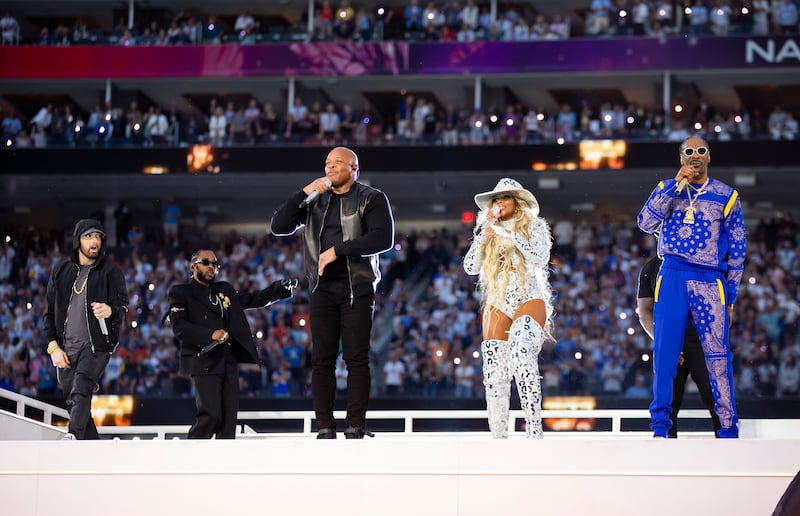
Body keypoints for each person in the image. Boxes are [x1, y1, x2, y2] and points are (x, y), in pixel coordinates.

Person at [270, 146, 394, 439]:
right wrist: (303, 193)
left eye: (337, 163)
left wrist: (338, 251)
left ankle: (355, 424)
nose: (329, 168)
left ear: (354, 168)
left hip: (357, 287)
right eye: (326, 163)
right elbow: (278, 226)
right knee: (322, 359)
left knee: (356, 358)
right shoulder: (315, 201)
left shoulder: (371, 198)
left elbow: (383, 238)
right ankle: (324, 425)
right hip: (321, 287)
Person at [637, 136, 746, 438]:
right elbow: (645, 222)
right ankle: (660, 429)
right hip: (671, 275)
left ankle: (727, 428)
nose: (695, 156)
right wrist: (675, 184)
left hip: (710, 279)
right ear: (681, 158)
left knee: (718, 354)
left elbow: (737, 251)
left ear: (709, 156)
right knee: (664, 353)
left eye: (701, 151)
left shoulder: (727, 195)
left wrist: (731, 296)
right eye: (689, 152)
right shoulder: (666, 189)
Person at [167, 249, 296, 439]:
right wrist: (211, 334)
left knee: (229, 422)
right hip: (203, 359)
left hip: (227, 360)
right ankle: (191, 458)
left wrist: (279, 289)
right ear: (193, 266)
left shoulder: (224, 290)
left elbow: (253, 298)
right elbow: (180, 328)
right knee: (211, 415)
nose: (212, 266)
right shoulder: (181, 292)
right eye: (206, 262)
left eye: (215, 264)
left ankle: (222, 465)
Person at [463, 178, 554, 439]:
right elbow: (470, 267)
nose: (500, 203)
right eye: (496, 199)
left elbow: (540, 258)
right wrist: (482, 238)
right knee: (494, 371)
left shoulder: (534, 226)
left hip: (528, 294)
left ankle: (534, 431)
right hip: (497, 299)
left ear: (518, 202)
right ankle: (498, 436)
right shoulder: (486, 229)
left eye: (505, 198)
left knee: (521, 353)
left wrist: (511, 234)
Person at [43, 219, 128, 440]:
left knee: (82, 385)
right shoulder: (61, 271)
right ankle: (93, 449)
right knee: (75, 401)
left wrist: (110, 310)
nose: (94, 242)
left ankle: (72, 437)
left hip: (97, 345)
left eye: (98, 237)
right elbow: (49, 314)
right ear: (78, 240)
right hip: (66, 347)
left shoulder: (111, 271)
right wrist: (53, 348)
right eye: (89, 236)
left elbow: (123, 309)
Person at [638, 254, 722, 438]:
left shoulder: (703, 259)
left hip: (702, 341)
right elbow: (644, 311)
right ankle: (665, 452)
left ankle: (727, 444)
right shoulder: (651, 268)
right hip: (671, 339)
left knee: (715, 397)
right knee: (668, 400)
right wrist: (665, 341)